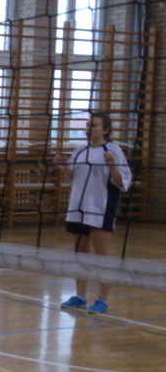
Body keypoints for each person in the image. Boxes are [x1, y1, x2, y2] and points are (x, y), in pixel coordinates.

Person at [53, 111, 132, 314]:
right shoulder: (80, 150)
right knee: (80, 255)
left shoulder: (113, 150)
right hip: (77, 209)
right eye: (88, 125)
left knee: (102, 257)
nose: (88, 128)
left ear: (105, 130)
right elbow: (74, 178)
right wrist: (65, 168)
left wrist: (112, 166)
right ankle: (80, 297)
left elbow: (122, 182)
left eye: (94, 125)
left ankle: (102, 300)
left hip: (100, 209)